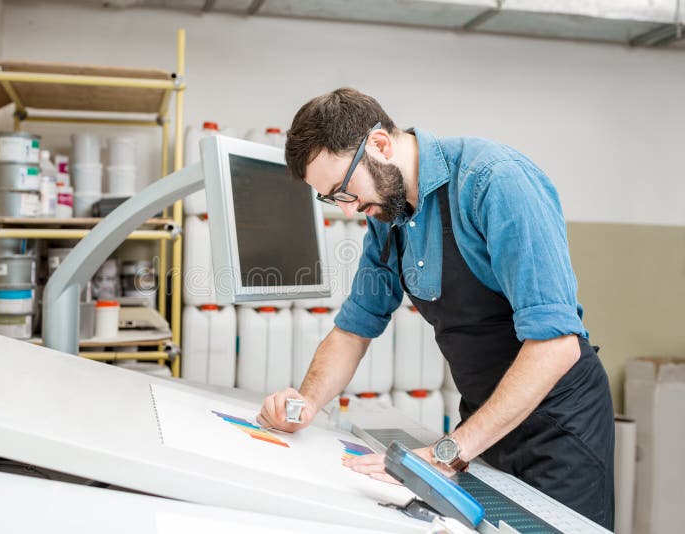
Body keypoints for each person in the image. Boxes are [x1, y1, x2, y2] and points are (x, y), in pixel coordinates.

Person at [257, 88, 615, 529]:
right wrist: (305, 402)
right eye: (333, 200)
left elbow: (556, 346)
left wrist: (449, 451)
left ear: (380, 145)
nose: (350, 211)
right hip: (484, 421)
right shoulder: (386, 217)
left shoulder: (494, 181)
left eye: (345, 191)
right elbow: (354, 329)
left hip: (560, 429)